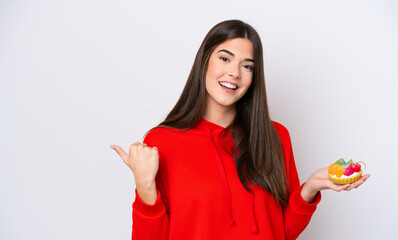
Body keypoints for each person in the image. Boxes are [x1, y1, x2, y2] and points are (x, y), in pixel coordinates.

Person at [111, 19, 370, 240]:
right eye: (225, 58)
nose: (235, 73)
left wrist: (309, 189)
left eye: (247, 66)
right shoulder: (163, 142)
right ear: (204, 62)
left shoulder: (275, 137)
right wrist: (144, 186)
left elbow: (282, 232)